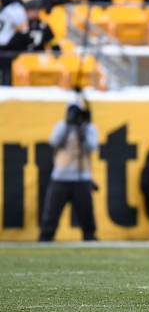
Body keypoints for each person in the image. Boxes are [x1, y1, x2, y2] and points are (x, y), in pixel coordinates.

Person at [40, 101, 98, 241]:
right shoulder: (62, 126)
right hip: (61, 176)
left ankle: (89, 237)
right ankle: (46, 236)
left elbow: (92, 146)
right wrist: (68, 124)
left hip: (81, 177)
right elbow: (53, 141)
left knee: (86, 214)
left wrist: (82, 130)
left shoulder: (89, 127)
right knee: (51, 213)